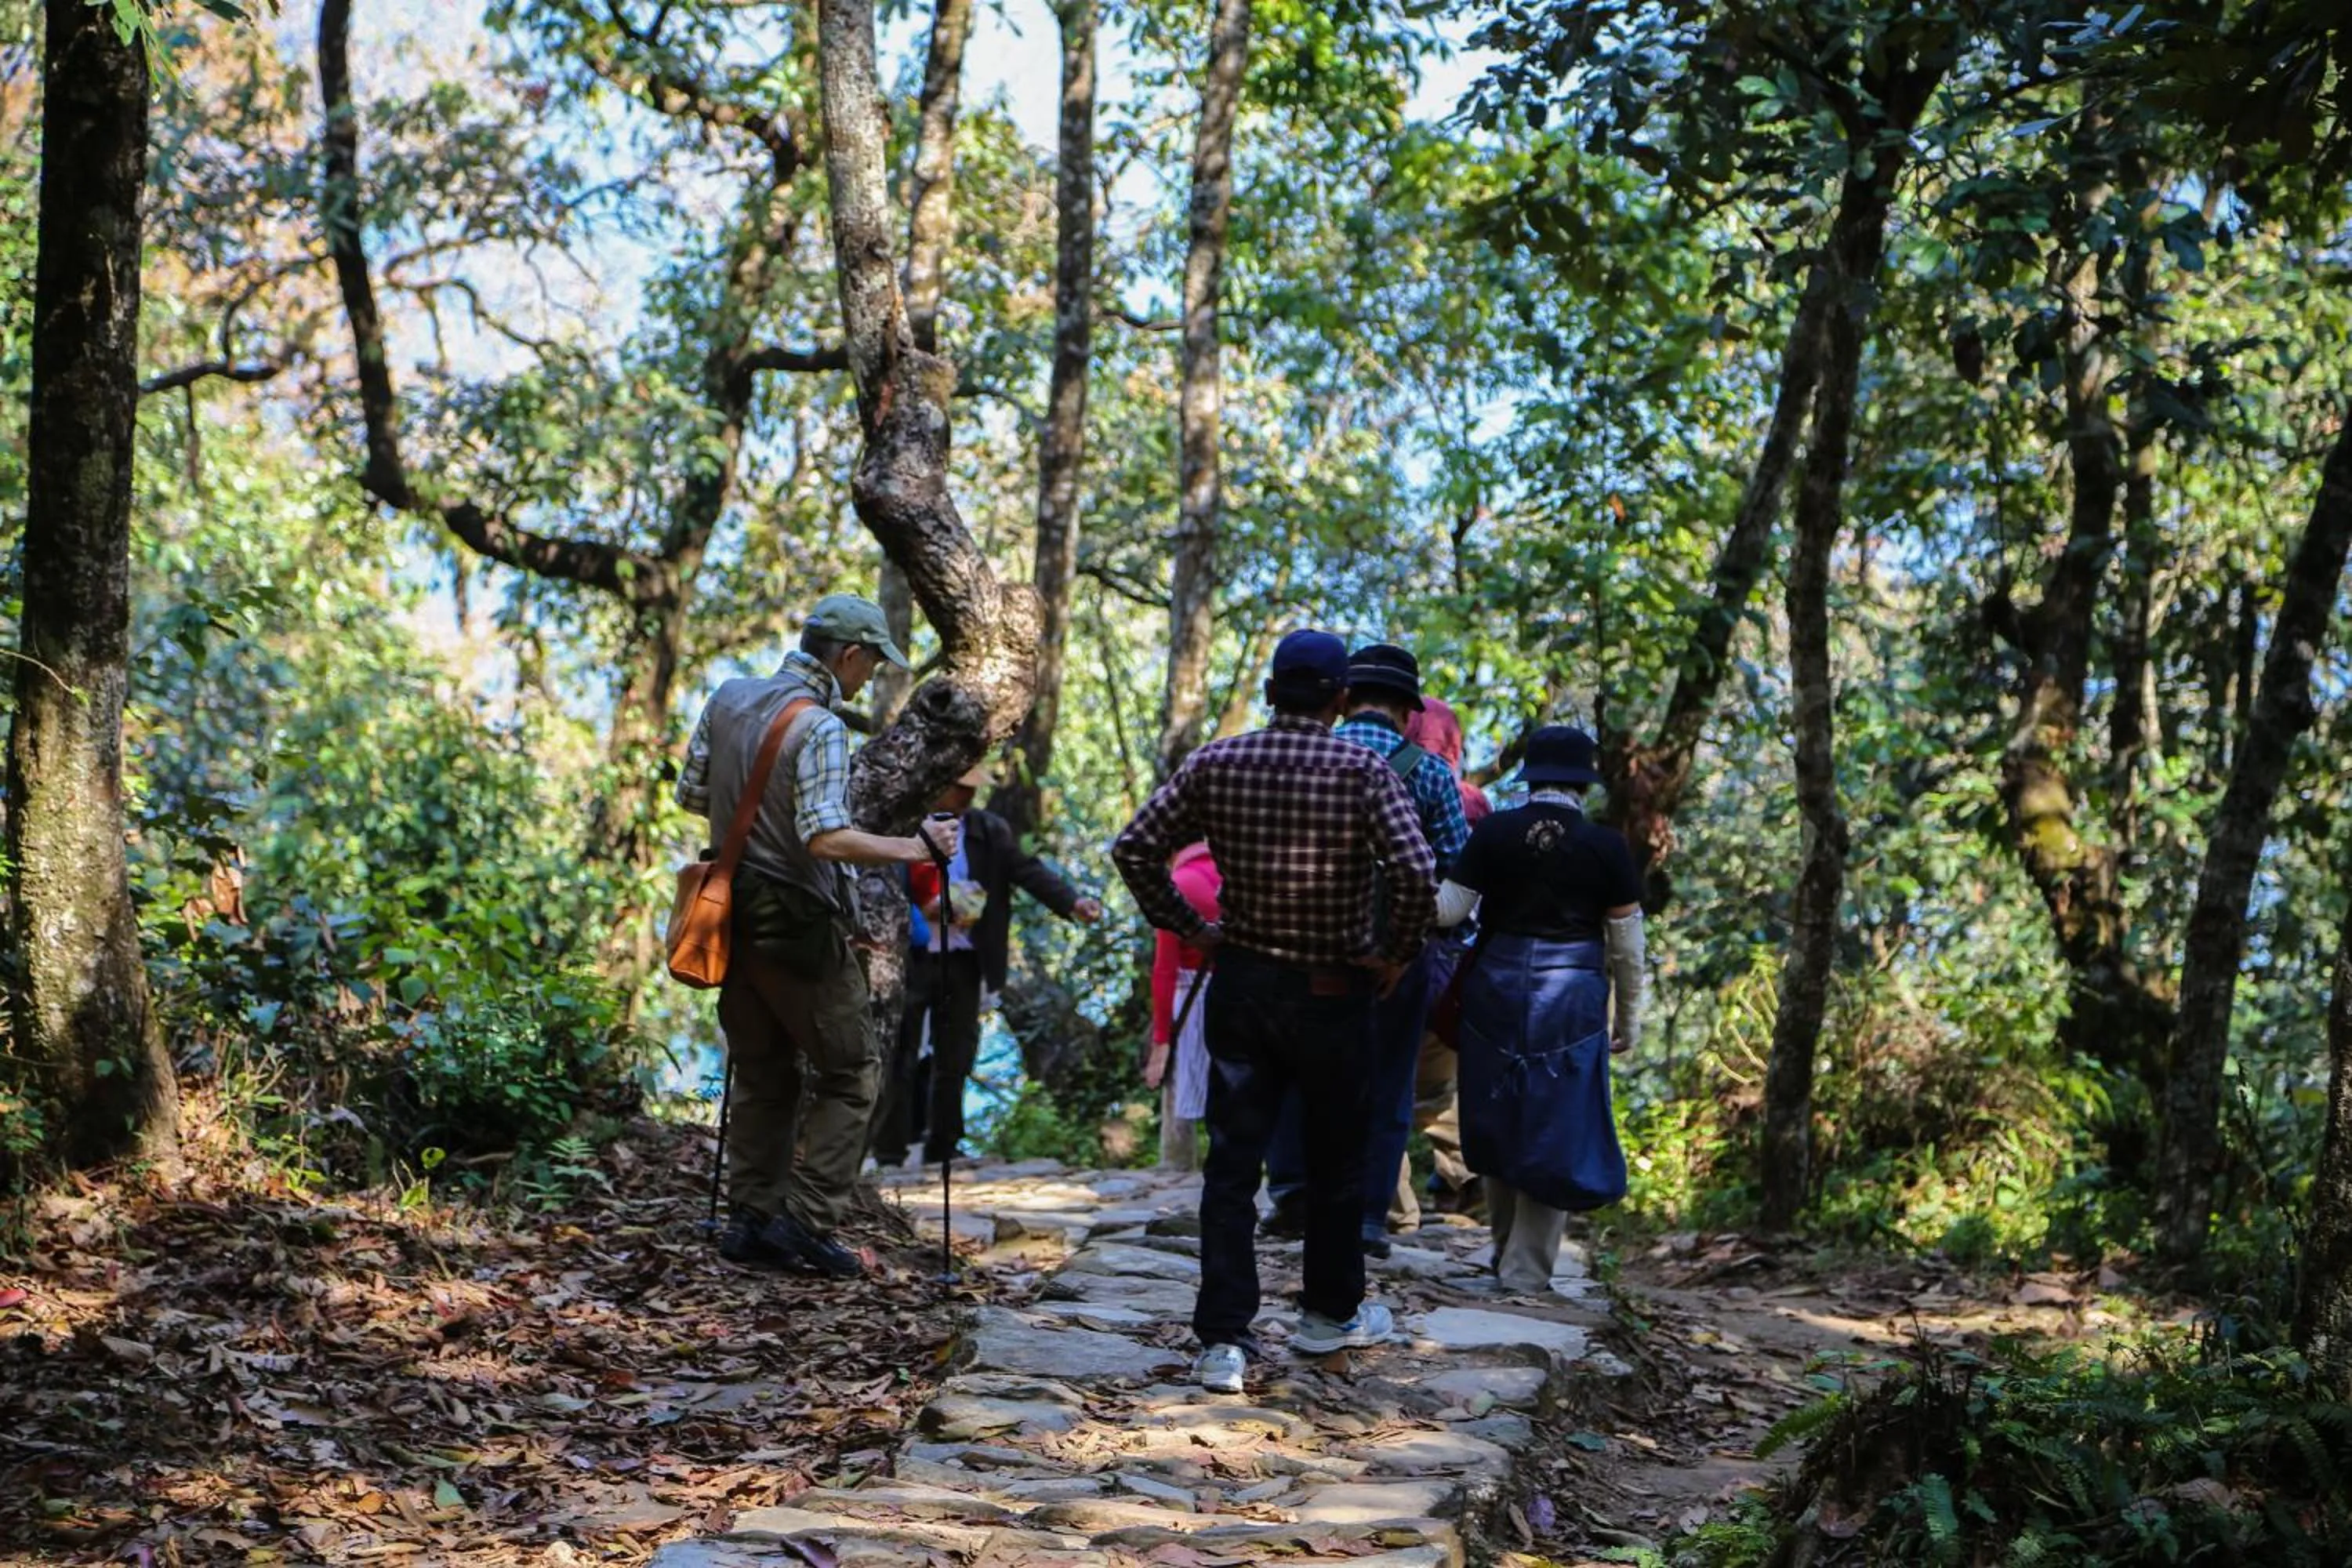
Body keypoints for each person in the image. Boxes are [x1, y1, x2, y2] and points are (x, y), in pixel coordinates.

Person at [1113, 630, 1436, 1394]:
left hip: (1243, 986)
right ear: (1340, 699)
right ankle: (1328, 1316)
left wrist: (1193, 927)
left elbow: (1135, 847)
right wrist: (1393, 951)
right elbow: (1418, 872)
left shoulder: (1217, 761)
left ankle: (1223, 1339)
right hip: (1334, 994)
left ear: (1269, 692)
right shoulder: (1362, 768)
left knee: (1232, 1165)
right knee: (1336, 1163)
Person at [675, 593, 960, 1279]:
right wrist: (916, 849)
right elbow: (824, 837)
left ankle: (749, 1218)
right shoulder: (822, 726)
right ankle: (803, 1222)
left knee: (764, 1067)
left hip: (730, 904)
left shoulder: (730, 696)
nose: (866, 680)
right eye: (870, 666)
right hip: (794, 914)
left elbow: (691, 795)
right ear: (849, 655)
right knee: (853, 1068)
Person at [1263, 642, 1470, 1258]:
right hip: (1394, 953)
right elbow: (1455, 870)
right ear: (1409, 714)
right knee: (1387, 1082)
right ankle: (1369, 1216)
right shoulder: (1430, 773)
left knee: (1292, 1073)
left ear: (1346, 700)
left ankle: (1295, 1195)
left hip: (1298, 943)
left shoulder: (1302, 758)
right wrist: (1435, 946)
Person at [1438, 724, 1646, 1297]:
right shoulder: (1606, 846)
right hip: (1571, 995)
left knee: (1496, 1113)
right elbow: (1626, 944)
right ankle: (1526, 1271)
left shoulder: (1496, 832)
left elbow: (1450, 911)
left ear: (1530, 774)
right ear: (1585, 779)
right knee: (1557, 1123)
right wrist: (1628, 1018)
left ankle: (1504, 1250)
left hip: (1496, 986)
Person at [873, 760, 1105, 1168]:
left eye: (972, 788)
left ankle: (942, 1147)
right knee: (900, 1055)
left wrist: (1071, 902)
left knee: (956, 1057)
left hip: (965, 960)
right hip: (912, 958)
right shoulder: (903, 825)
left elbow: (1027, 871)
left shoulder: (988, 831)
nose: (968, 795)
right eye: (960, 787)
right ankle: (890, 1150)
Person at [1396, 695, 1489, 1226]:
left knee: (1380, 1080)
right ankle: (1465, 1175)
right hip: (1451, 964)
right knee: (1436, 1087)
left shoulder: (1380, 775)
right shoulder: (1473, 801)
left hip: (1386, 951)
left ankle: (1393, 1206)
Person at [1145, 841, 1221, 1168]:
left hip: (1191, 999)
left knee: (1177, 1092)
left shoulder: (1177, 886)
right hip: (1242, 993)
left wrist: (1161, 1041)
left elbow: (1165, 970)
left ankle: (1175, 1172)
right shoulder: (1229, 872)